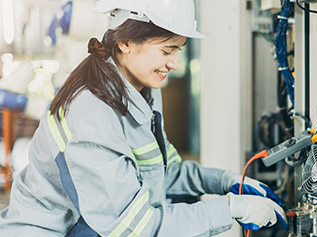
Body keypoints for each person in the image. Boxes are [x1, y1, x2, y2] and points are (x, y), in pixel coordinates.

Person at [0, 0, 287, 236]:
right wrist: (229, 208)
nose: (173, 63)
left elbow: (164, 173)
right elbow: (131, 226)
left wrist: (226, 181)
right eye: (166, 50)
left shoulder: (139, 89)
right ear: (126, 41)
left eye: (178, 50)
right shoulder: (91, 114)